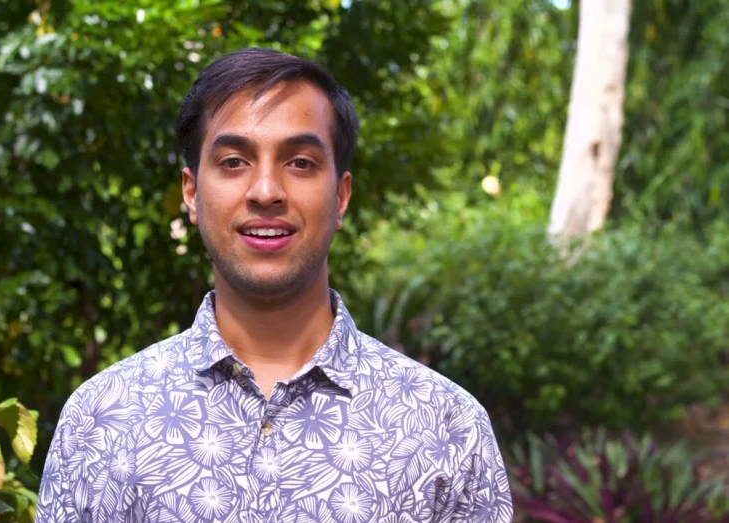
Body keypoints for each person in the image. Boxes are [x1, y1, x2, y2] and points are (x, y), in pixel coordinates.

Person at [36, 48, 513, 523]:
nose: (266, 191)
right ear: (192, 193)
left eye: (300, 162)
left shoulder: (445, 428)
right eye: (233, 161)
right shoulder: (103, 420)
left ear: (341, 196)